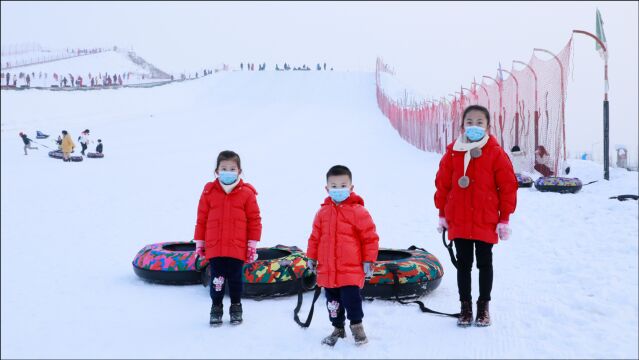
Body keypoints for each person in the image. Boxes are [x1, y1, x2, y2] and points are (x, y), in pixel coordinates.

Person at [434, 105, 518, 327]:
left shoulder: (496, 153)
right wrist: (442, 213)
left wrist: (504, 218)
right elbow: (442, 185)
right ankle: (465, 307)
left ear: (488, 126)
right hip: (459, 219)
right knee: (463, 265)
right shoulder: (453, 152)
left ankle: (483, 307)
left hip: (485, 218)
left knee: (484, 264)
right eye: (469, 122)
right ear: (462, 125)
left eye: (479, 122)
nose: (474, 126)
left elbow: (508, 187)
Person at [306, 165, 379, 346]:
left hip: (351, 269)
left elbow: (370, 238)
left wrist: (369, 261)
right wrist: (311, 257)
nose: (338, 190)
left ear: (351, 188)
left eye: (343, 185)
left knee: (351, 299)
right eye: (334, 186)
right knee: (333, 302)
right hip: (328, 269)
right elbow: (314, 238)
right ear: (327, 188)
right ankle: (338, 328)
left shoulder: (358, 212)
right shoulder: (322, 213)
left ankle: (357, 326)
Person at [193, 150, 262, 326]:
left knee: (235, 279)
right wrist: (200, 243)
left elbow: (255, 220)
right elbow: (201, 219)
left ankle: (236, 306)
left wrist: (252, 244)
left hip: (237, 247)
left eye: (232, 168)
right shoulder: (209, 192)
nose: (228, 171)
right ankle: (216, 307)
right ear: (217, 171)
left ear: (239, 171)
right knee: (217, 280)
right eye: (224, 168)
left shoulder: (247, 193)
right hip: (215, 247)